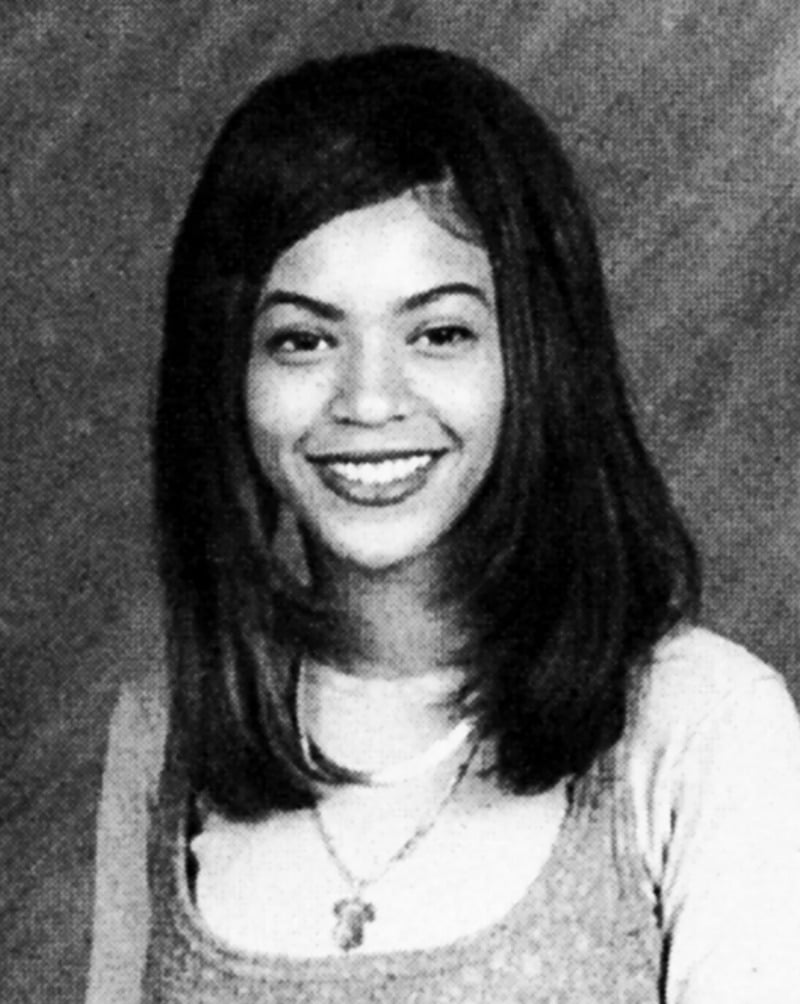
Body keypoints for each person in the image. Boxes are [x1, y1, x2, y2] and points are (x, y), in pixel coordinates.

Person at [87, 46, 800, 1002]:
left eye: (440, 333)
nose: (369, 401)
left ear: (536, 358)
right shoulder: (171, 730)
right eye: (302, 339)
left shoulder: (701, 724)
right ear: (229, 375)